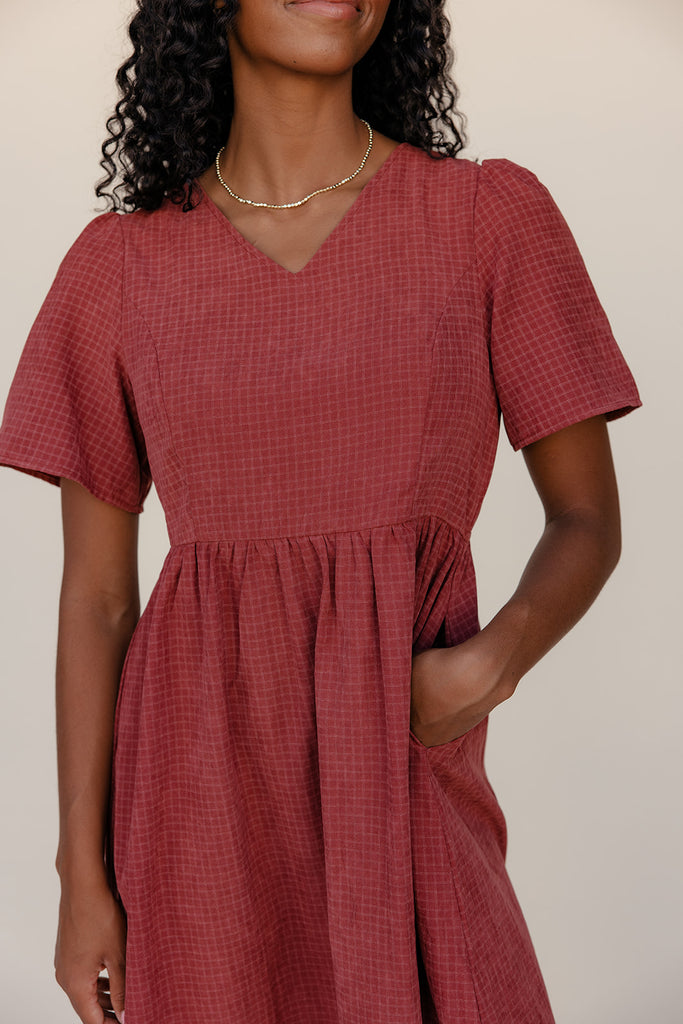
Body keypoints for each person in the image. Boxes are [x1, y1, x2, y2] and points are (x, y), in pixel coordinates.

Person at [0, 1, 641, 1022]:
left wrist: (489, 664)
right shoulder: (117, 268)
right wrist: (81, 877)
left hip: (402, 766)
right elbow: (97, 601)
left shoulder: (484, 218)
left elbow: (585, 517)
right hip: (198, 802)